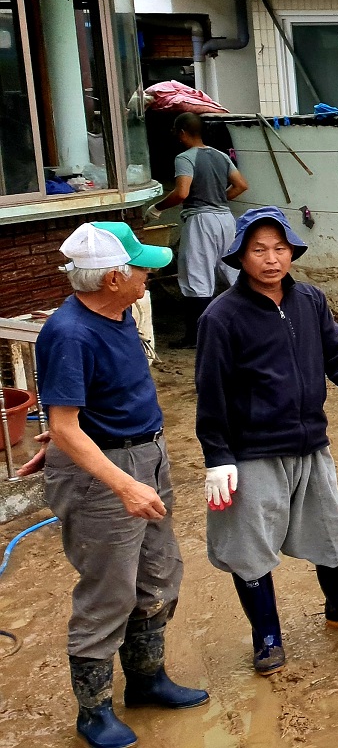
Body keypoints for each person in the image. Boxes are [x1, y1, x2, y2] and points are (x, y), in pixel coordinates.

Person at [195, 207, 338, 675]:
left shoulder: (309, 300)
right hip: (252, 453)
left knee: (332, 531)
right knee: (249, 547)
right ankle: (266, 637)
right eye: (259, 250)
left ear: (292, 252)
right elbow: (212, 392)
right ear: (241, 257)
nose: (271, 259)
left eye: (280, 249)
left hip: (310, 443)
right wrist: (218, 457)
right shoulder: (221, 317)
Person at [38, 223, 208, 748]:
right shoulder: (69, 333)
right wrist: (124, 486)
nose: (149, 275)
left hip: (143, 453)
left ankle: (146, 679)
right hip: (108, 477)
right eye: (140, 268)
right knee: (108, 590)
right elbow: (66, 423)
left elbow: (76, 414)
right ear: (112, 277)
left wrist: (64, 441)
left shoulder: (118, 313)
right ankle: (93, 711)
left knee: (159, 575)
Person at [151, 112, 247, 347]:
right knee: (234, 273)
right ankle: (247, 330)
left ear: (182, 132)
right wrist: (218, 198)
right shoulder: (221, 155)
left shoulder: (185, 158)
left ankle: (198, 337)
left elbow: (182, 192)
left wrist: (157, 208)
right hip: (226, 219)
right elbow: (241, 185)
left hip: (201, 221)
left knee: (196, 276)